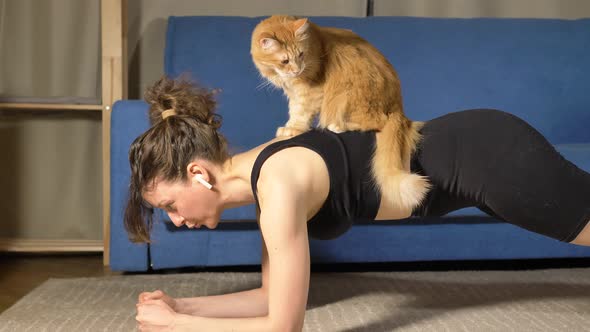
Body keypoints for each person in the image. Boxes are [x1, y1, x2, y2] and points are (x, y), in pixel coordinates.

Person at [129, 77, 590, 331]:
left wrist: (176, 328)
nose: (175, 219)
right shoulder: (264, 184)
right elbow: (272, 299)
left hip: (487, 157)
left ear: (197, 174)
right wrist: (184, 307)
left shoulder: (278, 183)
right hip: (478, 161)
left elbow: (283, 327)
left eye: (169, 204)